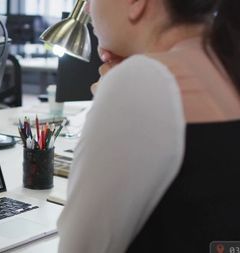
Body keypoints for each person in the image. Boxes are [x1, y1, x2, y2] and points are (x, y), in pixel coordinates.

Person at [58, 0, 240, 252]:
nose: (88, 9)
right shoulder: (226, 67)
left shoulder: (143, 81)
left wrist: (113, 95)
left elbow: (79, 248)